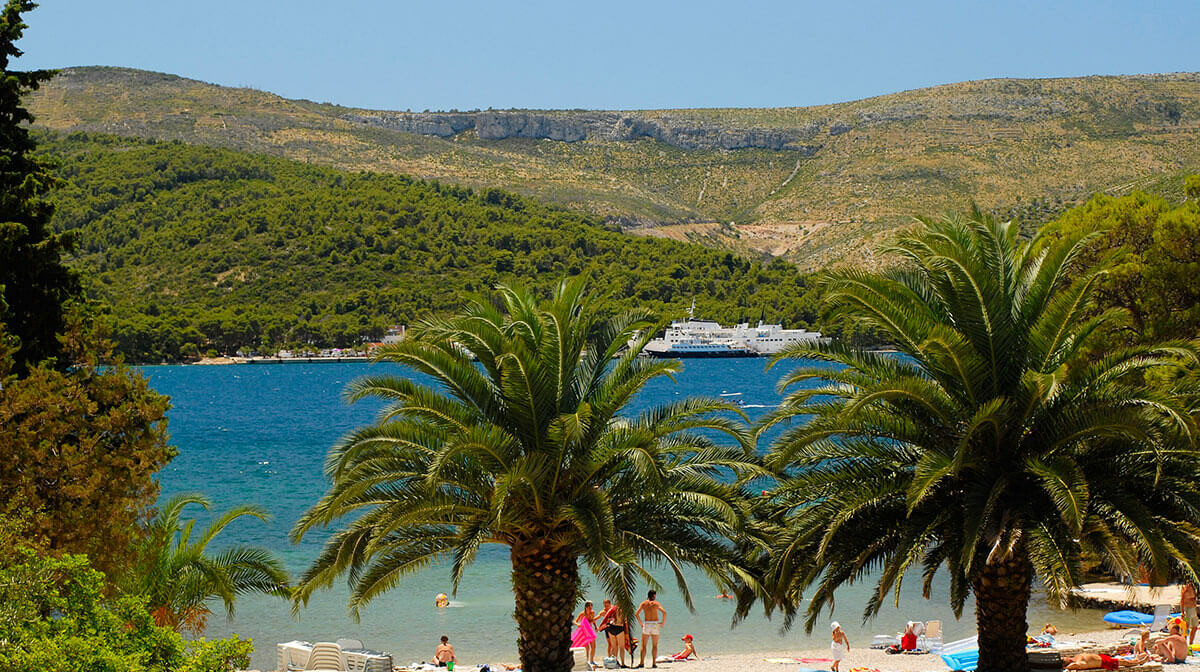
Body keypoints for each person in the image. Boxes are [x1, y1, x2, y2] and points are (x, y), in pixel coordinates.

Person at [635, 590, 667, 669]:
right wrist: (663, 622)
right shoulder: (656, 604)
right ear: (654, 596)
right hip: (655, 624)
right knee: (655, 645)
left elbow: (636, 614)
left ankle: (642, 663)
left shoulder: (644, 603)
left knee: (644, 645)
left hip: (647, 624)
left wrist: (641, 623)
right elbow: (664, 612)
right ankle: (653, 663)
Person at [572, 601, 599, 668]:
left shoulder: (592, 613)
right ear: (586, 607)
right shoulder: (582, 614)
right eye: (589, 607)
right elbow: (575, 621)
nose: (590, 608)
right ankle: (586, 661)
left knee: (593, 646)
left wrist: (595, 627)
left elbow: (593, 620)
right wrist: (578, 624)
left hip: (590, 631)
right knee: (587, 648)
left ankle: (591, 660)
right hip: (584, 632)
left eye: (591, 606)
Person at [1064, 652, 1150, 670]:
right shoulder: (1078, 663)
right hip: (1103, 662)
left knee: (1122, 660)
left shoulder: (1076, 657)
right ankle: (1139, 662)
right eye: (1066, 658)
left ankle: (1136, 661)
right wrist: (1067, 667)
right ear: (1068, 661)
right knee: (1123, 662)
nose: (1067, 657)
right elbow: (1075, 666)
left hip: (1102, 657)